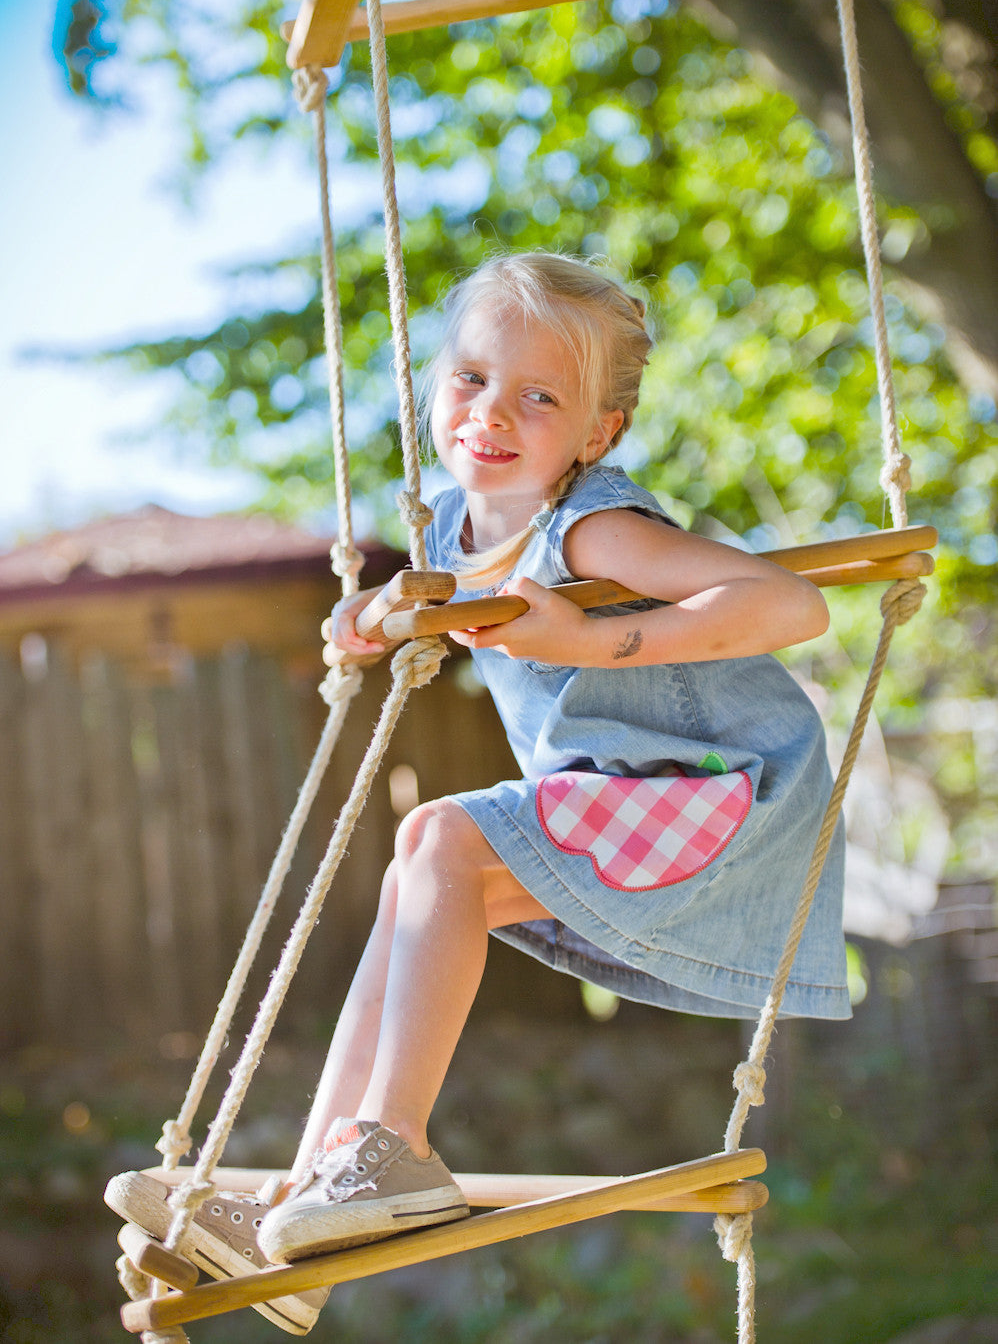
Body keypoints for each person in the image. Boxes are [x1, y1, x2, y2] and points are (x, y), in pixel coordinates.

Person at [107, 252, 849, 1323]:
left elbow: (788, 607)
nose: (491, 413)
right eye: (468, 379)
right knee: (424, 864)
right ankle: (302, 1193)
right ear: (431, 386)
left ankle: (391, 1148)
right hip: (629, 799)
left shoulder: (594, 528)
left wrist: (593, 641)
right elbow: (458, 600)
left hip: (722, 797)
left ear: (596, 434)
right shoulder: (456, 530)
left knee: (441, 839)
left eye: (537, 396)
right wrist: (379, 620)